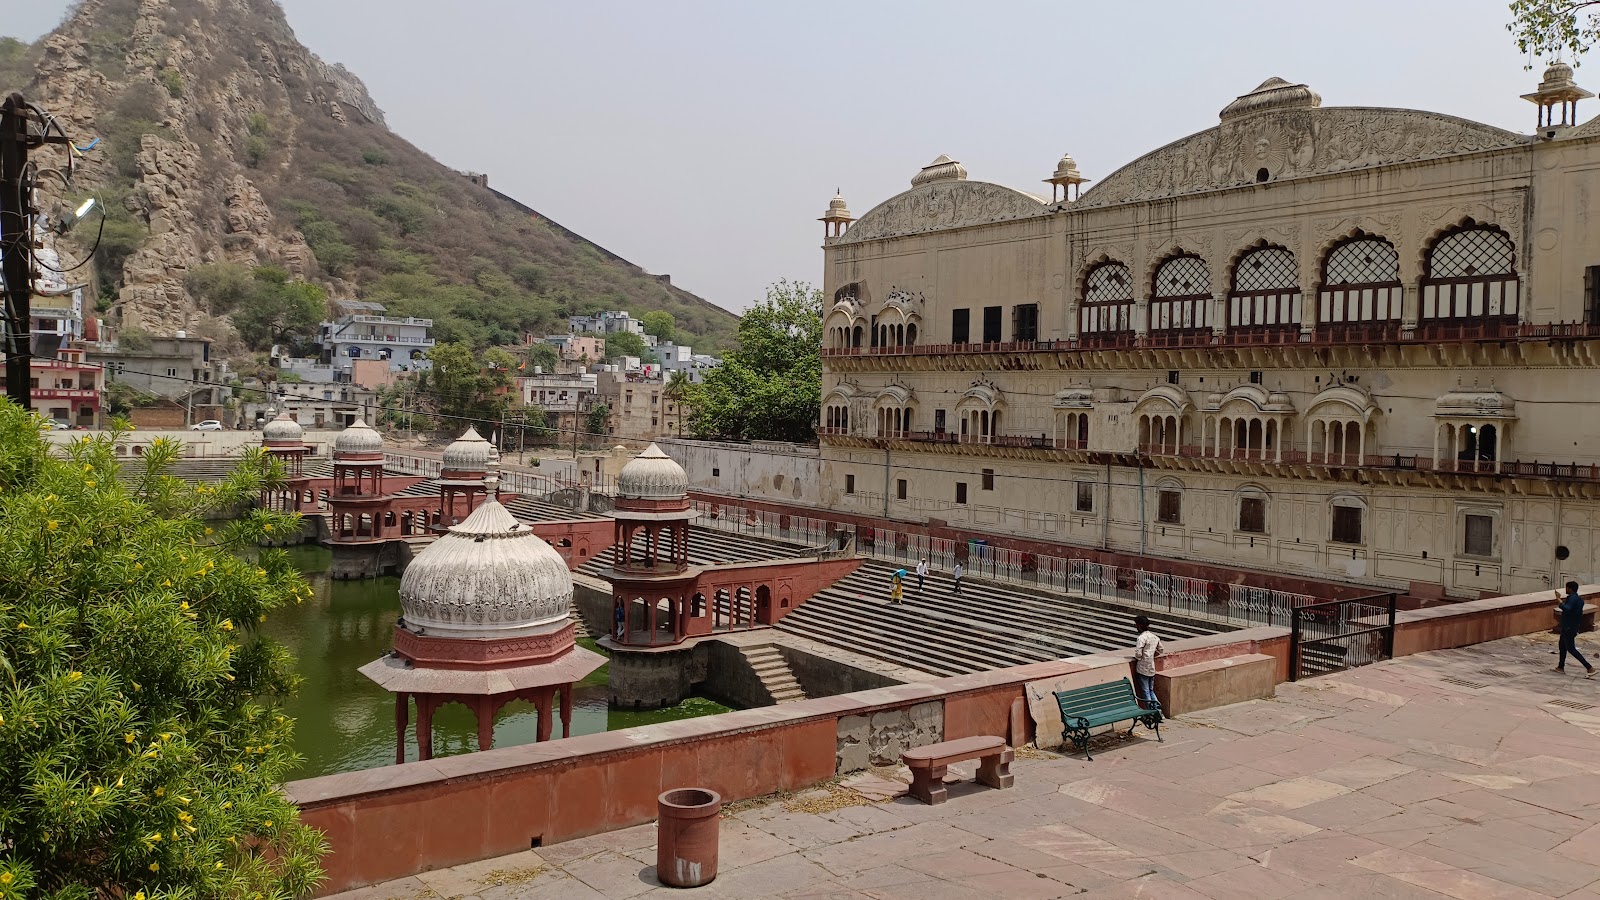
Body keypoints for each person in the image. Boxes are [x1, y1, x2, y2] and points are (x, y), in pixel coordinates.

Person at [1553, 581, 1597, 677]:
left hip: (1569, 627)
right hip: (1570, 626)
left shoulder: (1573, 599)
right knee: (1562, 646)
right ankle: (1560, 667)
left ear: (1570, 589)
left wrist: (1558, 599)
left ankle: (1589, 668)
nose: (1566, 589)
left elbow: (1567, 608)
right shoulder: (1578, 600)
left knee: (1571, 648)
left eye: (1567, 588)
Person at [1132, 615, 1163, 705]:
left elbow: (1138, 653)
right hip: (1151, 667)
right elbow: (1161, 649)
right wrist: (1151, 655)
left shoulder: (1141, 638)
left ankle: (1151, 710)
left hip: (1142, 668)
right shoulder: (1154, 637)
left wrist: (1140, 657)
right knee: (1150, 690)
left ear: (1140, 626)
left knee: (1145, 691)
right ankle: (1157, 708)